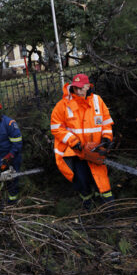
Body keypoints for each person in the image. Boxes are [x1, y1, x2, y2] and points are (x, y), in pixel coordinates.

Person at [50, 73, 115, 209]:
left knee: (101, 181)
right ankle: (88, 207)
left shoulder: (98, 101)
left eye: (81, 88)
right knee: (82, 181)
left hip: (96, 150)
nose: (78, 91)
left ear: (88, 86)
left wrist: (106, 138)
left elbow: (106, 122)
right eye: (75, 88)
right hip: (77, 153)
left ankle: (108, 208)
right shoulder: (63, 105)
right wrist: (75, 142)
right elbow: (56, 128)